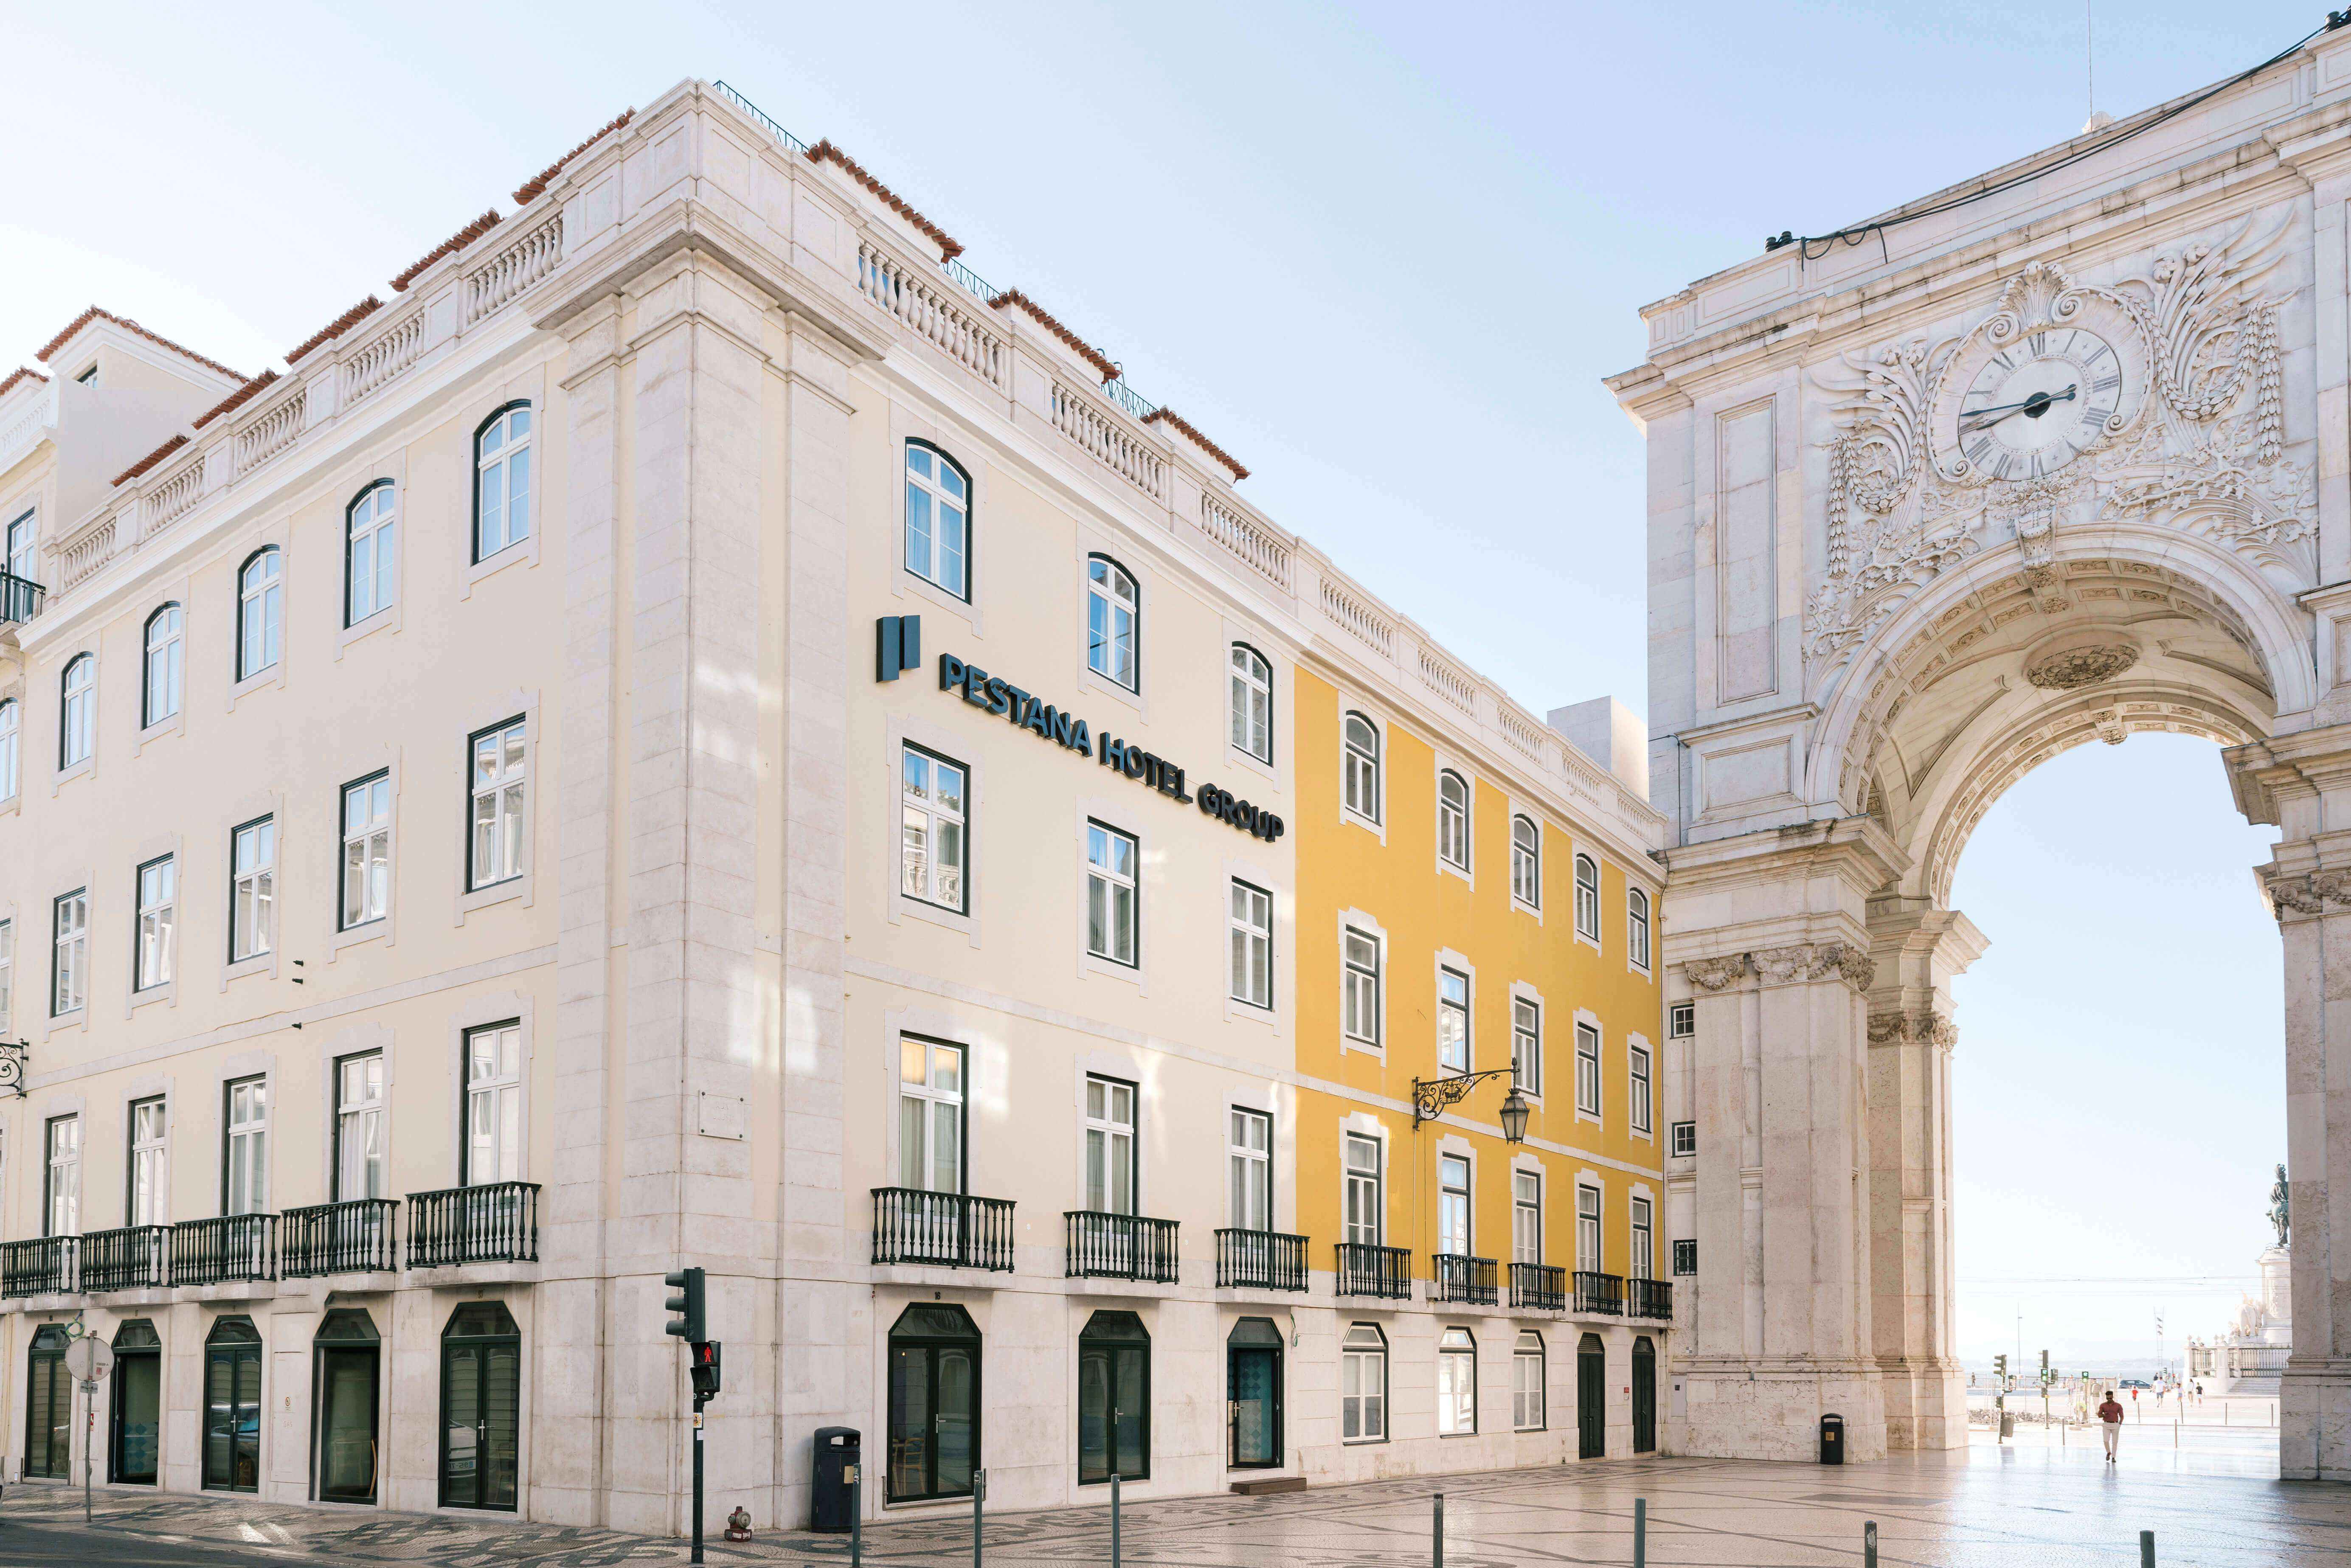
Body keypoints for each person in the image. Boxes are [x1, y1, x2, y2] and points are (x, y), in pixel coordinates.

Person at [2099, 1390, 2125, 1461]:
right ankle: (2108, 1452)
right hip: (2106, 1424)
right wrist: (2104, 1415)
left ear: (2112, 1397)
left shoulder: (2118, 1406)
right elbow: (2099, 1415)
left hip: (2115, 1424)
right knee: (2106, 1440)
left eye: (2110, 1398)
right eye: (2108, 1398)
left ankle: (2113, 1457)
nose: (2109, 1400)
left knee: (2115, 1442)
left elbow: (2122, 1416)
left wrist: (2119, 1424)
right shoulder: (2103, 1405)